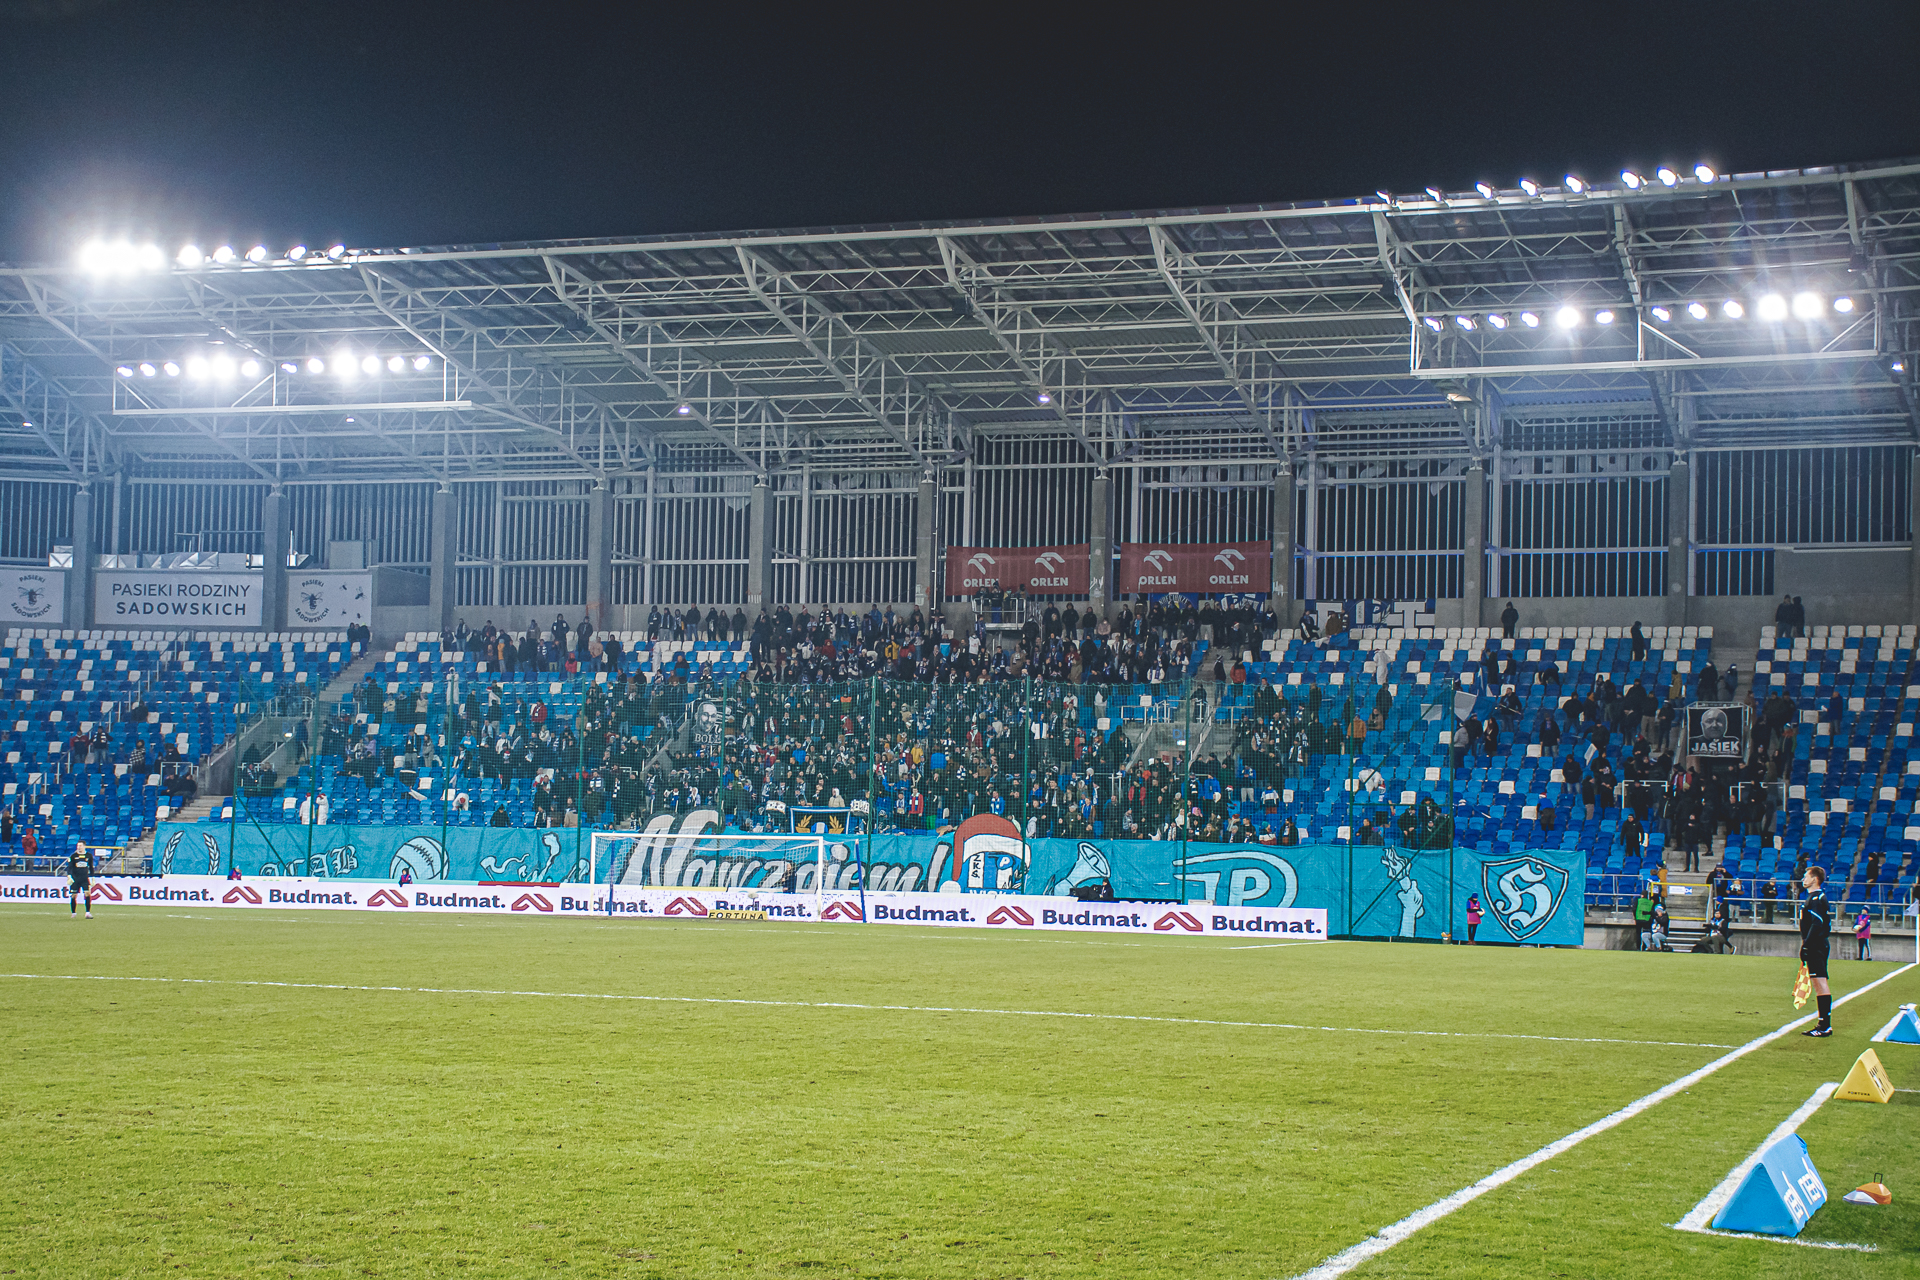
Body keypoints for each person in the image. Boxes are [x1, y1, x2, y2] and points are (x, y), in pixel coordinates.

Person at [1799, 865, 1833, 1037]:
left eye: (1806, 876)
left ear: (1814, 879)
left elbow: (1817, 923)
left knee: (1820, 982)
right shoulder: (1813, 897)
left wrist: (1807, 945)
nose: (1803, 879)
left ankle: (1824, 1025)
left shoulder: (1816, 898)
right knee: (1818, 982)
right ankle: (1823, 1023)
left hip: (1816, 945)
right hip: (1817, 944)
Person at [67, 843, 93, 919]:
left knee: (87, 894)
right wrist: (69, 876)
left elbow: (91, 867)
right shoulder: (73, 856)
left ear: (84, 846)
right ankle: (73, 913)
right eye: (78, 846)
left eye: (80, 846)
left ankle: (87, 913)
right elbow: (69, 867)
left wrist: (93, 878)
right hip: (75, 879)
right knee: (74, 895)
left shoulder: (89, 855)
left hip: (84, 878)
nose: (79, 847)